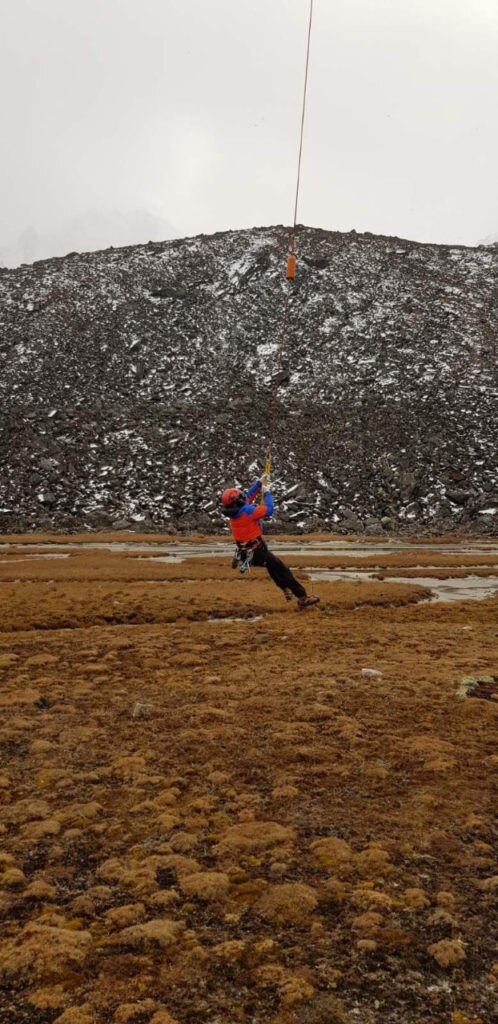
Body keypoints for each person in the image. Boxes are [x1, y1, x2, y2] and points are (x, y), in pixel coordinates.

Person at [219, 479, 320, 609]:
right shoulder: (248, 511)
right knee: (282, 569)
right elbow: (269, 510)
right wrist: (266, 493)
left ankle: (285, 589)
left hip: (248, 552)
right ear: (237, 501)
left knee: (273, 568)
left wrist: (259, 483)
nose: (244, 497)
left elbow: (248, 497)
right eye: (240, 497)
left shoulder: (235, 512)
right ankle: (302, 597)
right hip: (257, 552)